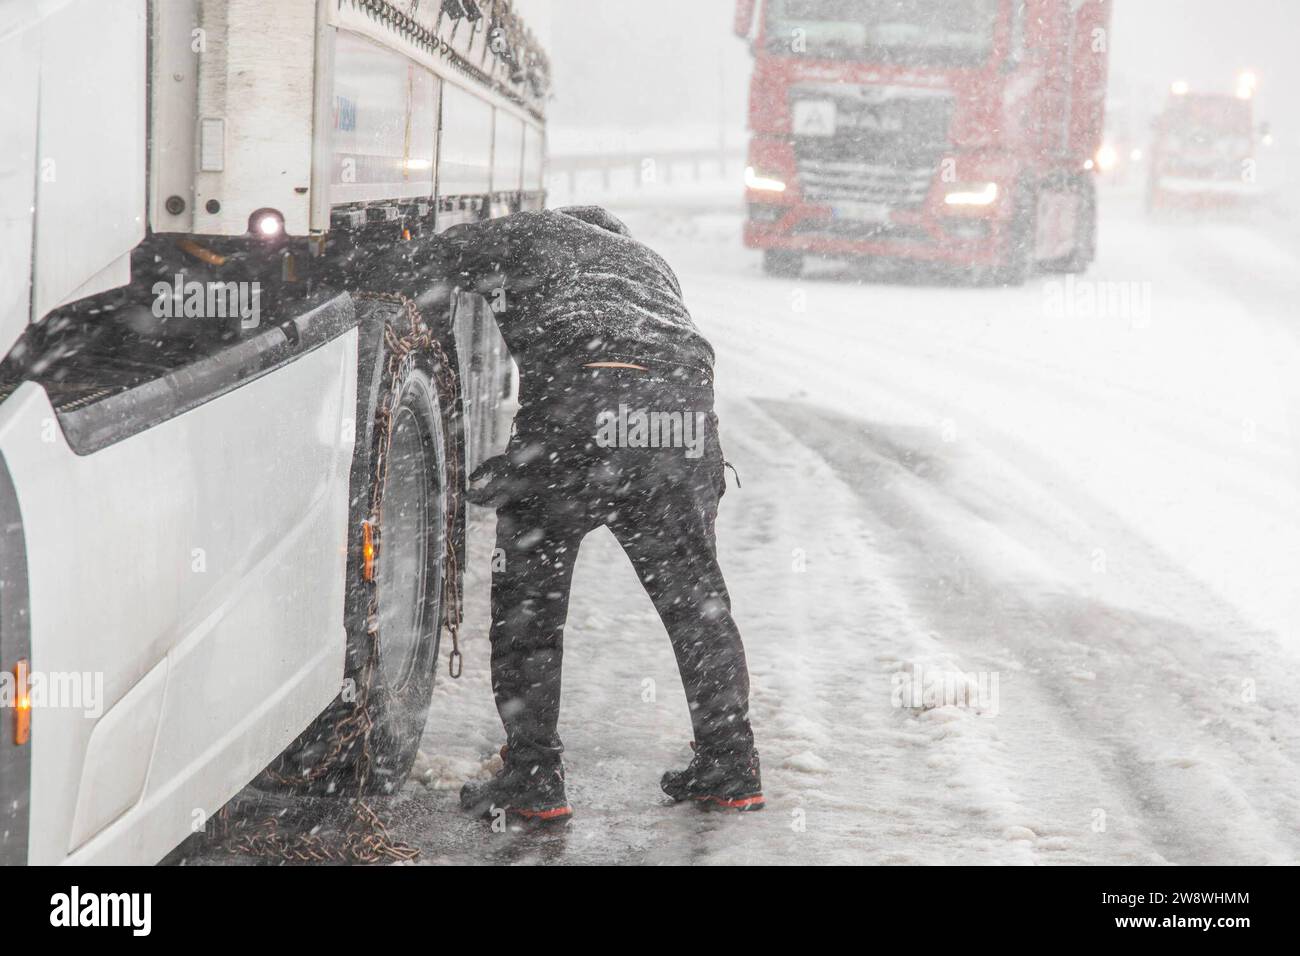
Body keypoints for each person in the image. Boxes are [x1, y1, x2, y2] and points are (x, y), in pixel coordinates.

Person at [415, 205, 761, 822]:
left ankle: (535, 776)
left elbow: (422, 257)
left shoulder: (532, 232)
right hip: (682, 419)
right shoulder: (651, 263)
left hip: (581, 403)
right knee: (697, 605)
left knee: (530, 612)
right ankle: (732, 765)